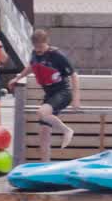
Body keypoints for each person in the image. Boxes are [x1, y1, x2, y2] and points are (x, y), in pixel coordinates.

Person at [7, 29, 81, 161]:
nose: (39, 50)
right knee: (44, 133)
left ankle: (66, 130)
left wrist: (76, 98)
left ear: (47, 43)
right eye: (36, 47)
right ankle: (45, 164)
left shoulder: (57, 55)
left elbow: (74, 75)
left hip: (62, 93)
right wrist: (17, 78)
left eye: (41, 47)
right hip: (50, 95)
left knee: (42, 113)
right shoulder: (34, 54)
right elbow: (31, 67)